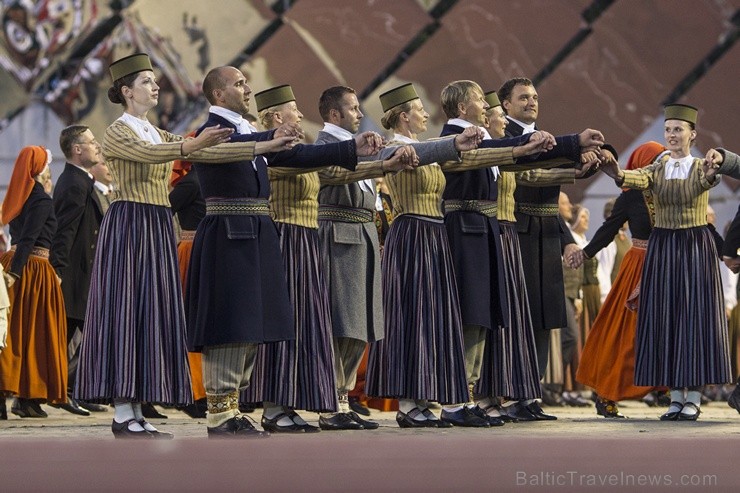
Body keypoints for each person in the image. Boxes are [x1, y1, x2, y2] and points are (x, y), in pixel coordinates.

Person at [73, 53, 293, 439]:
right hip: (129, 223)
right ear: (126, 91)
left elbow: (208, 151)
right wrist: (191, 146)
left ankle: (137, 408)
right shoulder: (118, 132)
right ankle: (123, 410)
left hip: (158, 224)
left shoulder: (157, 131)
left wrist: (261, 147)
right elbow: (153, 154)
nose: (155, 86)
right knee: (127, 312)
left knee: (151, 314)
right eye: (146, 81)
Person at [186, 69, 386, 438]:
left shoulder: (246, 131)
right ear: (218, 93)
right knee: (232, 322)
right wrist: (269, 141)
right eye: (239, 84)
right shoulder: (209, 132)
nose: (247, 89)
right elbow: (233, 151)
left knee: (252, 325)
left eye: (247, 83)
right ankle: (219, 413)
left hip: (256, 231)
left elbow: (298, 157)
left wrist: (349, 149)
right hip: (229, 231)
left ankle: (233, 408)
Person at [252, 84, 421, 432]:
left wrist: (381, 164)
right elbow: (333, 173)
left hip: (360, 234)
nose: (300, 115)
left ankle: (338, 398)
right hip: (330, 235)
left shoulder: (323, 148)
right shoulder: (321, 148)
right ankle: (312, 401)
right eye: (354, 108)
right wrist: (384, 165)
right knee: (335, 323)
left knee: (359, 325)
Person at [314, 85, 482, 430]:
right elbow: (419, 155)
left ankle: (426, 397)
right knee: (412, 318)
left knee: (433, 320)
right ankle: (408, 401)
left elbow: (461, 156)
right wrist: (453, 143)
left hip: (434, 235)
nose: (425, 114)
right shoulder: (392, 147)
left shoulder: (417, 147)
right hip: (412, 235)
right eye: (419, 109)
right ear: (404, 115)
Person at [599, 104, 732, 420]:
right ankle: (674, 397)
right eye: (668, 130)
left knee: (695, 319)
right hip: (664, 246)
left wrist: (713, 173)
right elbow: (631, 177)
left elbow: (702, 183)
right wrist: (614, 170)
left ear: (692, 134)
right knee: (666, 319)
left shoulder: (702, 167)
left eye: (678, 130)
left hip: (694, 245)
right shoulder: (655, 170)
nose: (672, 135)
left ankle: (695, 397)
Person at [498, 76, 607, 420]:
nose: (532, 102)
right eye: (523, 97)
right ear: (505, 105)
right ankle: (513, 395)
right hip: (520, 235)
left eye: (534, 96)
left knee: (545, 320)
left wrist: (567, 239)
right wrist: (573, 155)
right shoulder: (505, 139)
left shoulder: (545, 139)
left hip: (546, 234)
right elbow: (529, 175)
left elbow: (551, 202)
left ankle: (531, 395)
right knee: (522, 319)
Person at [572, 142, 667, 418]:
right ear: (644, 162)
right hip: (639, 268)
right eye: (657, 160)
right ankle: (608, 391)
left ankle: (669, 389)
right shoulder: (630, 197)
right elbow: (608, 229)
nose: (661, 166)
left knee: (666, 329)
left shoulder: (671, 191)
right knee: (629, 333)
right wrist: (585, 253)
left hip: (668, 266)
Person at [0, 146, 67, 419]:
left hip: (14, 263)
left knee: (12, 335)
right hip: (31, 271)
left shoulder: (19, 194)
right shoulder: (40, 199)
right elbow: (30, 238)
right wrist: (16, 273)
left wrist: (12, 269)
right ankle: (27, 396)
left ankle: (16, 396)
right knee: (35, 335)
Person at [49, 125, 107, 417]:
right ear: (77, 150)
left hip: (81, 274)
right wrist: (58, 271)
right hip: (73, 276)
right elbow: (64, 231)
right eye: (92, 142)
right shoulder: (74, 183)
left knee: (85, 336)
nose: (97, 146)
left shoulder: (79, 180)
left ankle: (69, 390)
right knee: (74, 336)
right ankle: (62, 391)